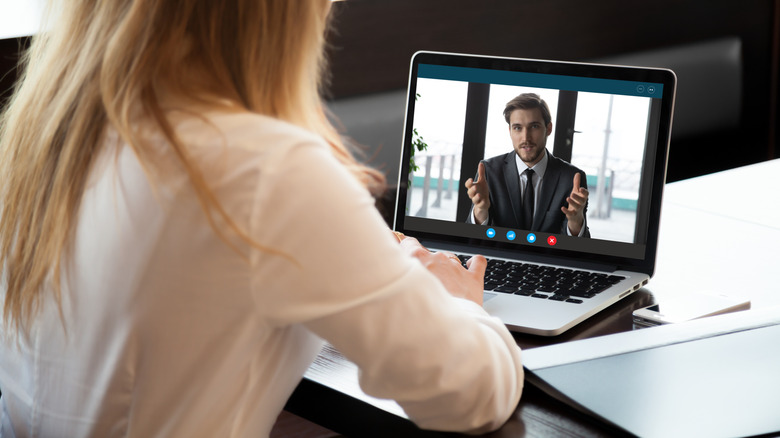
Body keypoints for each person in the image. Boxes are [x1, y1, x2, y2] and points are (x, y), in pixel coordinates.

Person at [0, 1, 523, 436]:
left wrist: (362, 275)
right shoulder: (266, 170)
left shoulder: (45, 139)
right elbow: (468, 394)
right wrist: (452, 304)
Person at [465, 93, 590, 237]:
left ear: (548, 129)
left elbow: (578, 252)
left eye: (534, 126)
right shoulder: (489, 171)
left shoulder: (571, 178)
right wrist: (480, 210)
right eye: (517, 128)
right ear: (510, 131)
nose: (526, 138)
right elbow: (471, 240)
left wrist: (575, 222)